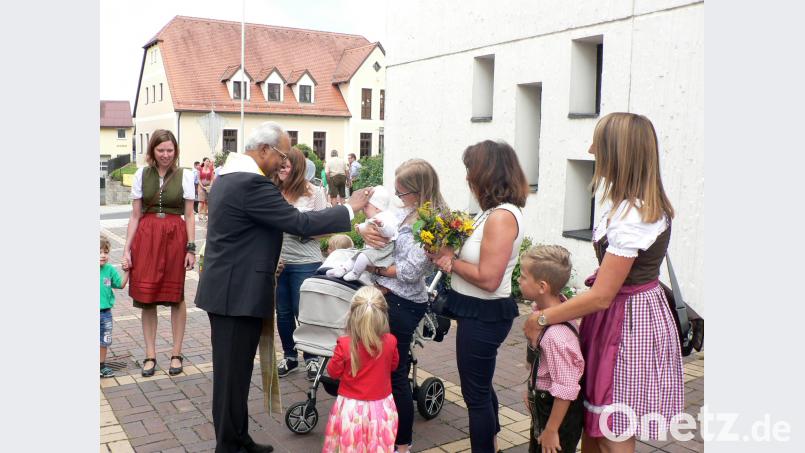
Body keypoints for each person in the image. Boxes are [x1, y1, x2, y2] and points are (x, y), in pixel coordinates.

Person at [194, 121, 372, 453]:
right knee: (231, 377)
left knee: (235, 373)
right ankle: (228, 447)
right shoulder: (250, 184)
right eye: (282, 154)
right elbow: (299, 222)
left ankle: (237, 438)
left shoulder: (230, 177)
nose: (285, 162)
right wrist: (351, 207)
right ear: (264, 150)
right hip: (236, 294)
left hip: (230, 289)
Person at [523, 113, 684, 452]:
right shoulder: (630, 206)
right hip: (623, 315)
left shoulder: (635, 215)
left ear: (617, 153)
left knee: (613, 425)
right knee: (597, 424)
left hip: (626, 324)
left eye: (599, 144)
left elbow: (602, 297)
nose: (591, 149)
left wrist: (542, 317)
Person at [431, 140, 529, 452]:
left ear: (487, 173)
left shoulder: (502, 217)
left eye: (471, 169)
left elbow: (488, 278)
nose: (467, 177)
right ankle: (494, 440)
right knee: (481, 387)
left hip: (485, 313)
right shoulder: (491, 213)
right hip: (477, 311)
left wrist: (448, 261)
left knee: (474, 396)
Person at [359, 159, 447, 453]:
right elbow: (381, 232)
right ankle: (381, 429)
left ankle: (402, 443)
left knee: (395, 373)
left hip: (403, 304)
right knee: (379, 369)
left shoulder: (435, 222)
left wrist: (377, 268)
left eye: (402, 193)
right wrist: (367, 231)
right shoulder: (408, 211)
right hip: (386, 296)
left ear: (419, 191)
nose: (398, 199)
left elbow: (411, 272)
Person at [122, 129, 196, 378]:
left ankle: (176, 353)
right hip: (147, 237)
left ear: (176, 151)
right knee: (147, 296)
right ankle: (150, 354)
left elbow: (189, 215)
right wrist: (126, 251)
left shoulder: (186, 175)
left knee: (177, 296)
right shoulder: (141, 174)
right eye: (161, 150)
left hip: (175, 238)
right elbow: (135, 216)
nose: (165, 155)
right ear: (152, 150)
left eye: (170, 150)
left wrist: (191, 248)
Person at [518, 245, 584, 453]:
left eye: (523, 276)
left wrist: (552, 430)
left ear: (542, 286)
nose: (519, 280)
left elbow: (566, 387)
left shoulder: (556, 335)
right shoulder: (550, 311)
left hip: (556, 416)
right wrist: (531, 389)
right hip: (545, 405)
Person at [273, 146, 329, 381]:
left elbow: (325, 228)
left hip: (306, 261)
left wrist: (302, 230)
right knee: (283, 313)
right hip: (280, 262)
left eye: (286, 165)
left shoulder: (314, 193)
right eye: (279, 165)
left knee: (304, 313)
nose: (282, 169)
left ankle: (312, 359)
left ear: (297, 168)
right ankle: (290, 356)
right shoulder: (273, 191)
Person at [322, 286, 400, 453]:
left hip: (351, 410)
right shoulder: (391, 341)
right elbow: (393, 366)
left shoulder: (344, 344)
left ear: (352, 314)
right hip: (382, 410)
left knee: (349, 447)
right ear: (383, 315)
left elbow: (333, 372)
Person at [327, 185, 398, 282]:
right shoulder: (372, 217)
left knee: (362, 257)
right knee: (355, 256)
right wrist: (359, 228)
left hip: (382, 251)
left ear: (378, 208)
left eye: (366, 206)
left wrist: (382, 226)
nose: (362, 209)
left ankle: (356, 273)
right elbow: (366, 227)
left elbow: (390, 231)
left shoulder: (385, 217)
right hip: (372, 250)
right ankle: (342, 269)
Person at [100, 235, 129, 378]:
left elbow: (120, 285)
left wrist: (127, 271)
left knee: (104, 340)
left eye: (105, 252)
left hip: (105, 313)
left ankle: (101, 365)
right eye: (99, 252)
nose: (103, 255)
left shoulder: (109, 270)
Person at [198, 157, 215, 222]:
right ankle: (199, 215)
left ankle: (205, 216)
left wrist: (210, 186)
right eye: (207, 161)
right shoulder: (200, 169)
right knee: (201, 201)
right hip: (201, 187)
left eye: (209, 161)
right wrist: (202, 186)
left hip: (208, 187)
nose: (208, 162)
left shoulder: (211, 169)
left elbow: (212, 179)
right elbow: (199, 179)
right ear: (204, 162)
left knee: (207, 202)